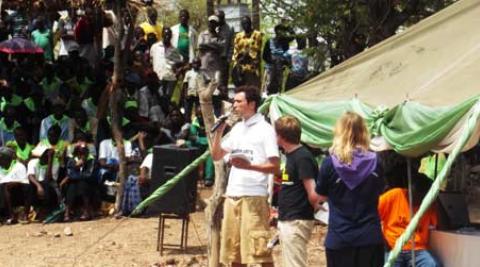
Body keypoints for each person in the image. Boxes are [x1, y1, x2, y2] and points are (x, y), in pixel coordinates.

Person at [211, 85, 280, 267]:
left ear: (251, 104)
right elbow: (216, 155)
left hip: (254, 196)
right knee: (233, 252)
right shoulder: (237, 129)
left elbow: (275, 166)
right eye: (234, 101)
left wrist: (250, 166)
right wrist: (219, 132)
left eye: (238, 101)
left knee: (258, 253)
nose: (234, 105)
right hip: (232, 195)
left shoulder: (265, 130)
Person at [315, 111, 385, 267]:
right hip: (369, 237)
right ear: (364, 132)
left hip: (340, 237)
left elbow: (320, 195)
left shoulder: (329, 164)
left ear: (339, 133)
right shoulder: (376, 162)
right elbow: (380, 190)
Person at [274, 115, 323, 267]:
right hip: (288, 217)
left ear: (281, 136)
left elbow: (312, 192)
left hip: (296, 219)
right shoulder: (291, 156)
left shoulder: (302, 158)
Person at [379, 175, 441, 267]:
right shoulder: (395, 195)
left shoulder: (428, 205)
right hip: (393, 248)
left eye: (422, 195)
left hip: (417, 249)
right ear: (410, 189)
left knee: (432, 264)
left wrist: (437, 201)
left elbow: (444, 225)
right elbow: (373, 216)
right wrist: (383, 241)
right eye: (415, 193)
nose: (417, 198)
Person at [198, 15, 224, 116]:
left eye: (214, 23)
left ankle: (217, 116)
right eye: (210, 22)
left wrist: (208, 45)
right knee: (205, 93)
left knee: (216, 93)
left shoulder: (220, 37)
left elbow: (221, 48)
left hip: (216, 68)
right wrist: (213, 46)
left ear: (216, 24)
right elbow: (200, 46)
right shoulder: (202, 34)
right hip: (204, 68)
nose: (212, 24)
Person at [62, 144, 95, 221]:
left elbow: (89, 175)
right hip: (74, 182)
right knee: (72, 187)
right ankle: (67, 212)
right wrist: (76, 167)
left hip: (88, 183)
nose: (82, 155)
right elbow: (70, 174)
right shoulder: (71, 161)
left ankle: (86, 212)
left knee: (82, 184)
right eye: (80, 153)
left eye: (84, 153)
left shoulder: (91, 161)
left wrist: (78, 175)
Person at [150, 27, 183, 100]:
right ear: (162, 35)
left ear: (171, 36)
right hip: (158, 77)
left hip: (170, 78)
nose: (167, 37)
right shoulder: (155, 47)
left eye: (169, 35)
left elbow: (180, 62)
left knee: (167, 99)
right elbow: (151, 60)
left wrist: (177, 71)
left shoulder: (174, 50)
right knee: (158, 98)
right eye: (165, 34)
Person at [28, 145, 60, 219]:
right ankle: (30, 210)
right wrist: (38, 186)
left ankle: (46, 210)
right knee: (29, 186)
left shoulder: (55, 163)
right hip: (38, 186)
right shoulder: (33, 162)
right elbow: (30, 176)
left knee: (46, 185)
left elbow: (48, 178)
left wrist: (50, 161)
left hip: (51, 187)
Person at [0, 147, 30, 224]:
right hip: (2, 194)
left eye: (1, 158)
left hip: (17, 194)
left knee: (5, 186)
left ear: (8, 158)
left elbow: (25, 183)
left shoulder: (19, 166)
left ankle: (11, 215)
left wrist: (12, 183)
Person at [232, 16, 263, 88]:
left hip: (252, 68)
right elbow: (236, 50)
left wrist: (246, 54)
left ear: (250, 23)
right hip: (240, 68)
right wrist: (238, 60)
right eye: (244, 24)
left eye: (247, 23)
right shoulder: (238, 36)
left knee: (252, 90)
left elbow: (256, 49)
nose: (246, 25)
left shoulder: (257, 34)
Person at [262, 24, 292, 95]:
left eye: (283, 31)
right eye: (279, 30)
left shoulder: (285, 44)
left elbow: (287, 56)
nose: (281, 32)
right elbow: (264, 56)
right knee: (269, 87)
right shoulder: (269, 41)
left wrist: (288, 28)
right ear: (276, 31)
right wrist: (272, 61)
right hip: (270, 69)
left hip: (280, 70)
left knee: (279, 87)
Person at [215, 9, 234, 94]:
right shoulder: (214, 28)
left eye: (219, 18)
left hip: (223, 60)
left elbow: (231, 45)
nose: (217, 20)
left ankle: (223, 101)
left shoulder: (229, 29)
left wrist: (228, 59)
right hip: (213, 60)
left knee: (222, 84)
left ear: (223, 18)